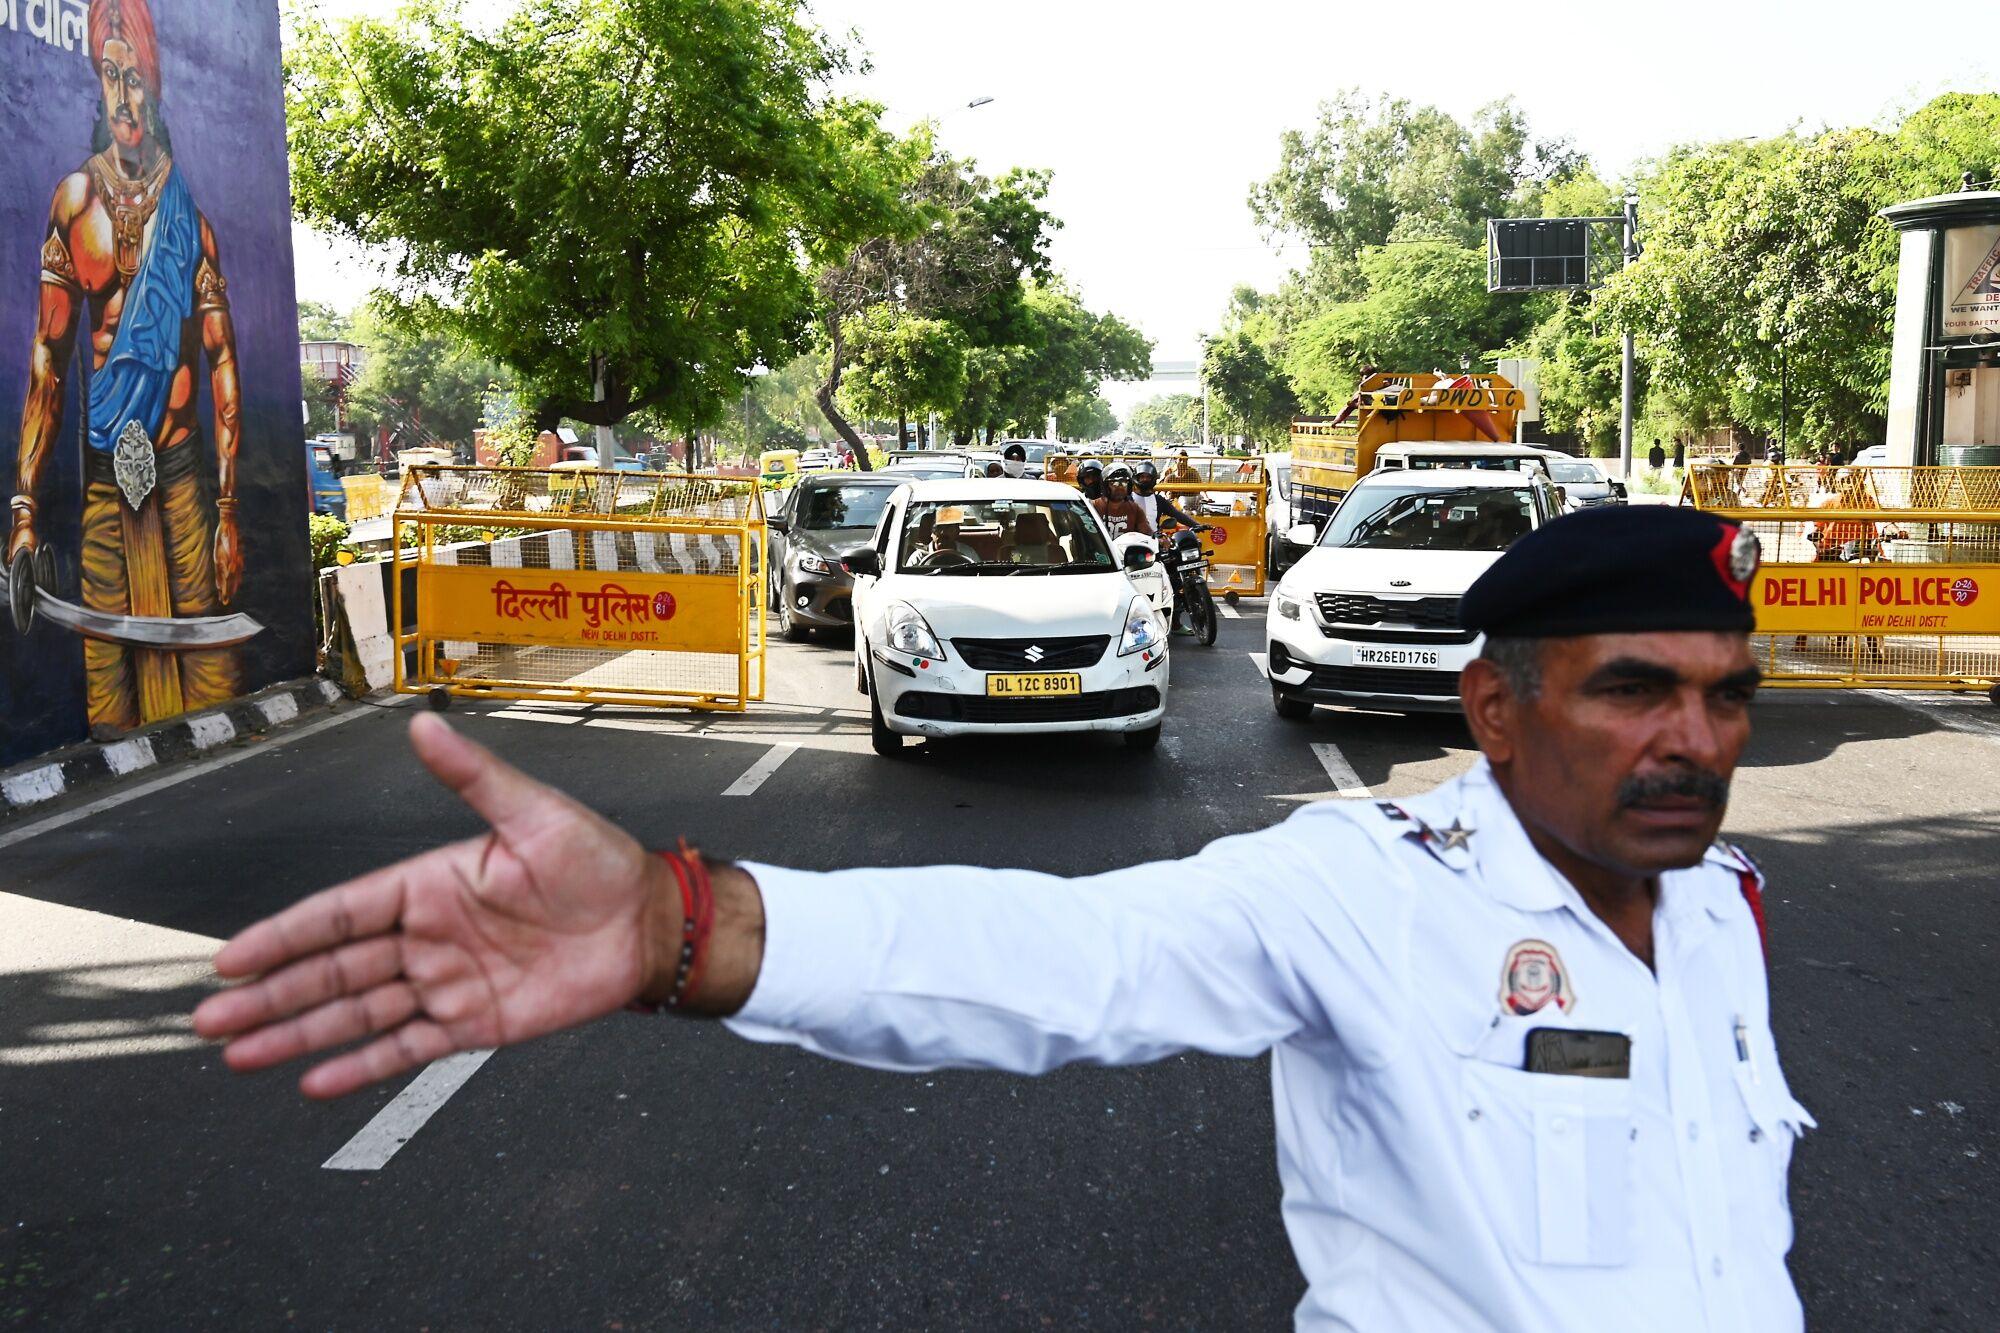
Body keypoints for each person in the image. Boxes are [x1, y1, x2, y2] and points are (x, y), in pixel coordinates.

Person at [195, 506, 1812, 1333]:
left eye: (1727, 696)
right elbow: (1064, 960)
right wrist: (689, 926)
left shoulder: (1719, 903)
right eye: (1635, 690)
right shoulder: (1369, 883)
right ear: (1498, 708)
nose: (1696, 739)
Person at [9, 0, 251, 733]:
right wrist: (24, 513)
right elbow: (47, 364)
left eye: (136, 78)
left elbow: (223, 369)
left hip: (180, 483)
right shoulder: (74, 204)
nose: (123, 95)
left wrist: (231, 513)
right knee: (107, 695)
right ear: (97, 82)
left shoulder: (192, 222)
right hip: (102, 481)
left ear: (155, 85)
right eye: (110, 76)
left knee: (213, 684)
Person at [1131, 462, 1198, 534]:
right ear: (1136, 478)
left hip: (1153, 539)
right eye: (1142, 477)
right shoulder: (1128, 499)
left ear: (1153, 479)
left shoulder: (1159, 500)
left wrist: (1196, 525)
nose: (1145, 479)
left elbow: (1177, 514)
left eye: (1148, 477)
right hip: (1131, 539)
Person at [1093, 466, 1153, 539]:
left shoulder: (1135, 508)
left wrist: (1159, 538)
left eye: (1124, 483)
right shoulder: (1093, 506)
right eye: (1114, 483)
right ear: (1106, 486)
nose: (1120, 487)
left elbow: (1147, 532)